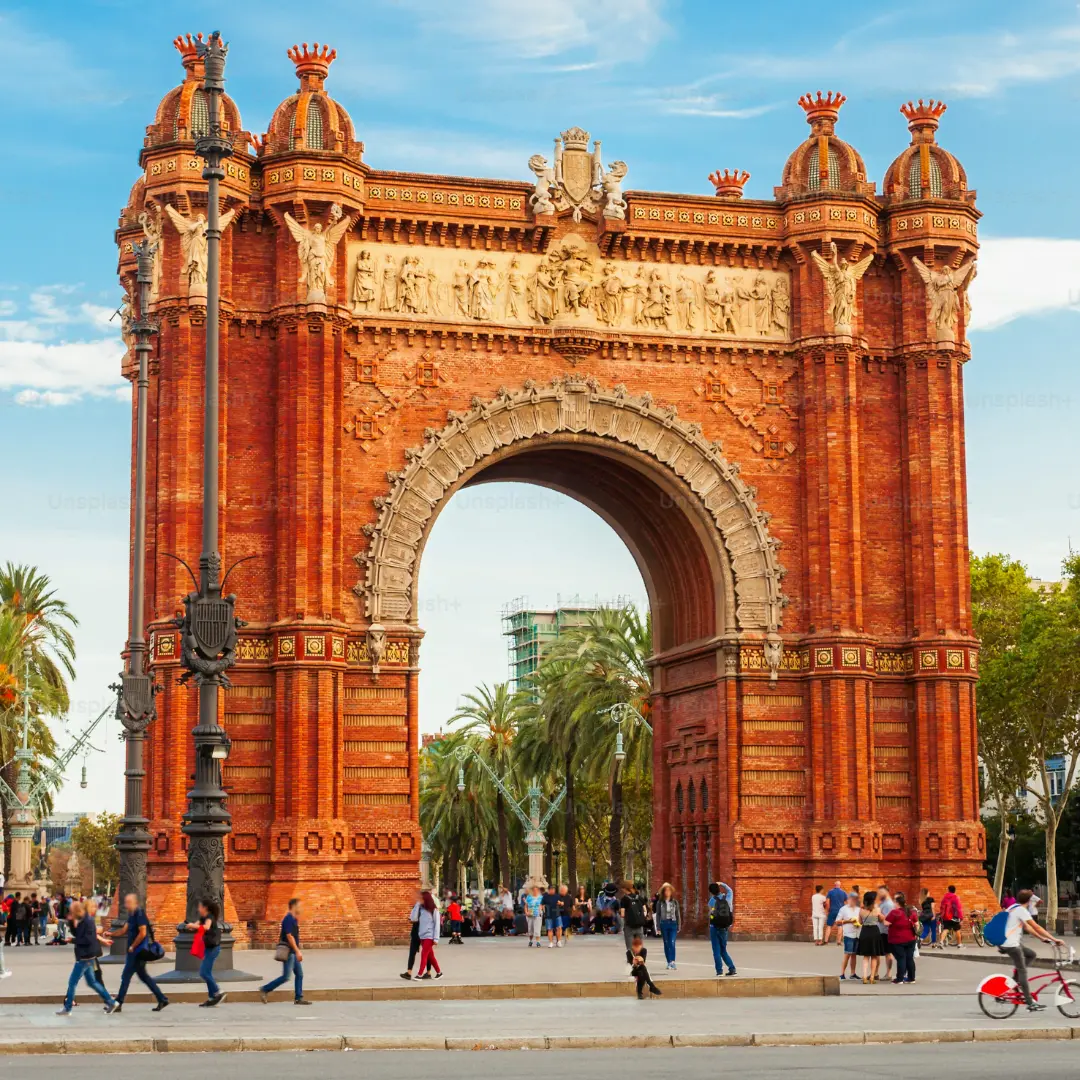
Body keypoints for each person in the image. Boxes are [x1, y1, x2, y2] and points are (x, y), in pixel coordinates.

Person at [998, 888, 1064, 1011]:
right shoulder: (1021, 910)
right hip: (1011, 944)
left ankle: (1015, 980)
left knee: (1031, 954)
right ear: (1029, 901)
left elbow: (1027, 927)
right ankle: (1030, 1002)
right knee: (1023, 970)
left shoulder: (1013, 907)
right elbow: (1037, 927)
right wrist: (1054, 940)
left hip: (1008, 942)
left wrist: (1041, 939)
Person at [56, 900, 117, 1016]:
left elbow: (88, 939)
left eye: (71, 911)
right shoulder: (83, 920)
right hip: (86, 956)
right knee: (92, 982)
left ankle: (67, 1008)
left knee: (72, 982)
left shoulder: (88, 921)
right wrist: (70, 921)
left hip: (85, 956)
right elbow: (77, 934)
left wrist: (72, 940)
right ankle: (111, 1002)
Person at [114, 892, 168, 1013]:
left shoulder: (139, 913)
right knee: (144, 977)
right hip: (134, 951)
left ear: (134, 902)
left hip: (137, 951)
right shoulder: (131, 914)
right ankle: (162, 998)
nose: (126, 905)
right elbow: (124, 930)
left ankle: (118, 1002)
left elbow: (143, 932)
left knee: (126, 976)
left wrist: (133, 946)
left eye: (128, 902)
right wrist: (111, 934)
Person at [260, 898, 310, 1005]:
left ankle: (298, 998)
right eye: (299, 906)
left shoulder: (294, 919)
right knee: (286, 976)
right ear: (294, 906)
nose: (301, 908)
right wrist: (297, 951)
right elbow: (289, 936)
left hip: (293, 951)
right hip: (289, 952)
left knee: (299, 974)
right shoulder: (288, 919)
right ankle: (265, 989)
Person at [185, 897, 225, 1007]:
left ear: (205, 908)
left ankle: (217, 991)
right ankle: (212, 997)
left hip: (213, 948)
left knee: (204, 973)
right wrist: (191, 926)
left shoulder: (209, 917)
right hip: (207, 947)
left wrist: (194, 926)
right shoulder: (202, 918)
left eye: (200, 907)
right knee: (206, 972)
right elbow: (197, 925)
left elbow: (206, 927)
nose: (198, 909)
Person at [885, 890, 919, 984]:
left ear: (897, 903)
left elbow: (886, 923)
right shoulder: (911, 912)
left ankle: (899, 978)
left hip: (897, 939)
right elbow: (916, 924)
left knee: (901, 958)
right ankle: (911, 978)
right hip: (911, 938)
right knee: (909, 958)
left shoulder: (894, 912)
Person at [856, 890, 886, 983]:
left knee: (866, 956)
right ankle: (872, 977)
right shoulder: (877, 910)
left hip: (865, 931)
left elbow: (860, 922)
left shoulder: (861, 910)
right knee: (874, 956)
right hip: (874, 932)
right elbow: (882, 920)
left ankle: (864, 976)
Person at [707, 881, 736, 977]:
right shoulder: (728, 897)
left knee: (716, 950)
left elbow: (710, 914)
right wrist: (722, 883)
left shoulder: (712, 901)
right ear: (719, 889)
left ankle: (719, 971)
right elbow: (730, 890)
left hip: (714, 927)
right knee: (723, 950)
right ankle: (732, 968)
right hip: (725, 927)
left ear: (711, 892)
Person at [415, 889, 442, 979]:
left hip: (429, 936)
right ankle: (439, 972)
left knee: (424, 955)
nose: (420, 900)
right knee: (431, 956)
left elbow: (437, 924)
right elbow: (413, 918)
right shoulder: (421, 909)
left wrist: (436, 939)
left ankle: (419, 974)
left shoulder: (434, 911)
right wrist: (417, 905)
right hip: (422, 935)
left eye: (421, 899)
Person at [627, 934, 662, 999]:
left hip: (641, 969)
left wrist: (641, 960)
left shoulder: (644, 950)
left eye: (639, 947)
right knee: (642, 970)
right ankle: (652, 986)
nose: (637, 949)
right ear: (633, 946)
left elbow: (643, 962)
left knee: (641, 972)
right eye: (636, 947)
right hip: (633, 970)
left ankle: (639, 993)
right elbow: (630, 964)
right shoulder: (629, 952)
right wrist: (634, 963)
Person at [619, 882, 649, 956]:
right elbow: (645, 911)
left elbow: (622, 914)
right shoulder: (639, 897)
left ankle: (632, 963)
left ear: (624, 889)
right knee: (639, 947)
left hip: (629, 926)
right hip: (639, 926)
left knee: (630, 949)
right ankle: (640, 962)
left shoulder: (624, 899)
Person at [656, 883, 680, 970]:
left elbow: (678, 914)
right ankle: (669, 961)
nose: (667, 892)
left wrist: (678, 925)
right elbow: (658, 915)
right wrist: (658, 927)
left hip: (673, 923)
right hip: (664, 923)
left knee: (672, 943)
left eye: (669, 890)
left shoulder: (674, 902)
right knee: (666, 943)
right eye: (666, 890)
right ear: (663, 892)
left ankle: (673, 961)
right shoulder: (660, 902)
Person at [837, 892, 860, 981]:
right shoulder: (843, 909)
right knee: (847, 954)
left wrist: (858, 923)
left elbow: (861, 920)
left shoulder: (858, 909)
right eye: (852, 899)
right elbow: (838, 921)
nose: (853, 901)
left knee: (854, 954)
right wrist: (848, 921)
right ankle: (842, 973)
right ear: (848, 899)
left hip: (857, 934)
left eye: (855, 899)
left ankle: (853, 973)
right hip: (848, 934)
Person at [401, 889, 423, 978]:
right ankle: (409, 972)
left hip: (419, 929)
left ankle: (410, 972)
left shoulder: (419, 905)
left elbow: (414, 918)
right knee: (425, 952)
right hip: (419, 929)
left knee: (416, 952)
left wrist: (411, 920)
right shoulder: (420, 905)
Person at [877, 886, 895, 979]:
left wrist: (878, 914)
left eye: (881, 892)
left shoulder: (888, 904)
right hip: (882, 931)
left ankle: (888, 973)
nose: (879, 894)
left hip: (885, 931)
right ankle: (879, 973)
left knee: (888, 953)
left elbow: (887, 919)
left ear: (887, 892)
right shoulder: (883, 903)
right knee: (884, 953)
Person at [823, 880, 847, 945]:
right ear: (840, 885)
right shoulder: (843, 892)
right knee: (840, 926)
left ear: (834, 885)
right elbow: (846, 903)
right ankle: (838, 942)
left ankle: (826, 941)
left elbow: (827, 903)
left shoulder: (830, 892)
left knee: (829, 926)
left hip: (832, 911)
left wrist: (827, 911)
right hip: (841, 912)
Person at [542, 884, 561, 948]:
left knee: (559, 927)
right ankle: (551, 942)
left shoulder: (557, 896)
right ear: (549, 890)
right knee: (550, 929)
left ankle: (559, 941)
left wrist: (560, 903)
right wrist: (541, 910)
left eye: (553, 889)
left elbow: (562, 903)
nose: (553, 890)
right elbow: (542, 904)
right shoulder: (545, 896)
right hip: (548, 914)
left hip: (557, 913)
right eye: (551, 889)